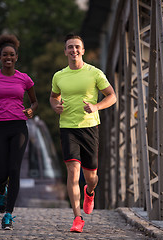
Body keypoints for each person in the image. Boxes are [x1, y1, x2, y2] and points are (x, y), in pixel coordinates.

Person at [50, 34, 117, 233]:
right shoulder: (59, 76)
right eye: (70, 47)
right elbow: (53, 97)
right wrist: (55, 107)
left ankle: (90, 192)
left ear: (83, 50)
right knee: (72, 172)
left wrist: (96, 106)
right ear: (65, 51)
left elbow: (112, 96)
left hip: (89, 128)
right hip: (68, 127)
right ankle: (77, 217)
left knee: (91, 177)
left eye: (77, 47)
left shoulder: (94, 73)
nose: (74, 50)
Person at [0, 34, 38, 230]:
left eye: (12, 54)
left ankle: (9, 215)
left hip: (19, 127)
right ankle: (1, 190)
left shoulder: (24, 79)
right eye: (5, 55)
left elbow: (34, 101)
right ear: (0, 57)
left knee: (14, 169)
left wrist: (31, 110)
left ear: (16, 57)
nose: (8, 58)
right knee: (2, 171)